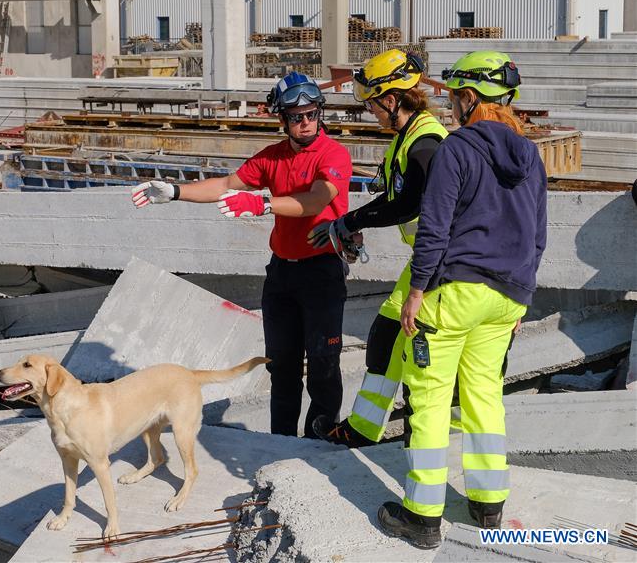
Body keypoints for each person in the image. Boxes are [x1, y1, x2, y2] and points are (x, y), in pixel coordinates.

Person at [377, 51, 547, 549]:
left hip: (454, 294)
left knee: (428, 401)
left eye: (454, 99)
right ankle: (488, 505)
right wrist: (522, 300)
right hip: (506, 299)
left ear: (470, 98)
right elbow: (538, 237)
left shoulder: (457, 149)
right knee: (484, 397)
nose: (451, 108)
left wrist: (416, 291)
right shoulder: (530, 156)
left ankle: (423, 517)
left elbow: (435, 228)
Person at [130, 71, 353, 438]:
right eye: (297, 117)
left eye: (312, 114)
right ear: (283, 119)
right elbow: (225, 185)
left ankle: (320, 442)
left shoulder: (333, 154)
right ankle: (282, 443)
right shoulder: (273, 158)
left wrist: (264, 204)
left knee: (324, 365)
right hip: (282, 276)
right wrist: (174, 191)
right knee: (281, 366)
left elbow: (317, 199)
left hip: (322, 274)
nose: (306, 123)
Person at [306, 49, 448, 448]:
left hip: (440, 264)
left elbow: (409, 204)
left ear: (392, 99)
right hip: (426, 259)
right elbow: (394, 193)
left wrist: (351, 221)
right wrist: (356, 219)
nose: (371, 111)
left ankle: (426, 433)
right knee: (386, 336)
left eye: (373, 104)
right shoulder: (410, 136)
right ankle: (363, 429)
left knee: (421, 352)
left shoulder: (426, 144)